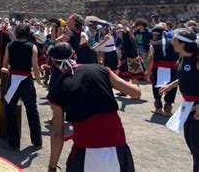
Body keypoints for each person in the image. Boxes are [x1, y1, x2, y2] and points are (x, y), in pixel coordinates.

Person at [47, 41, 141, 172]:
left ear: (53, 62)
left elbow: (58, 134)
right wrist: (134, 78)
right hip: (115, 142)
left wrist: (52, 166)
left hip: (85, 148)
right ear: (74, 55)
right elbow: (135, 92)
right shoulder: (101, 70)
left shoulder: (57, 88)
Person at [160, 28, 199, 171]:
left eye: (174, 40)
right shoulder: (182, 56)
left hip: (197, 106)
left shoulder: (197, 59)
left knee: (197, 146)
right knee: (191, 143)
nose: (172, 42)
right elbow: (187, 75)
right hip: (188, 105)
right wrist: (171, 85)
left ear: (182, 44)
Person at [2, 24, 43, 150]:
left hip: (13, 80)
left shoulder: (10, 46)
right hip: (26, 81)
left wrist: (12, 72)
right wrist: (39, 80)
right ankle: (37, 141)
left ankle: (13, 142)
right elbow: (35, 67)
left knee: (9, 110)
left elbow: (4, 65)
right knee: (32, 111)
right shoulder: (33, 47)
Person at [148, 25, 178, 116]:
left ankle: (158, 108)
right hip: (172, 68)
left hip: (157, 68)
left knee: (156, 86)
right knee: (171, 86)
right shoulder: (173, 43)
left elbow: (151, 57)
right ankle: (167, 109)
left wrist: (148, 70)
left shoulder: (153, 45)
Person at [116, 24, 145, 90]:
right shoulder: (127, 38)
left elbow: (125, 32)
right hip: (126, 60)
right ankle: (123, 91)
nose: (117, 34)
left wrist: (124, 26)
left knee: (133, 78)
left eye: (118, 32)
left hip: (129, 60)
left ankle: (137, 93)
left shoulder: (127, 37)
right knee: (122, 77)